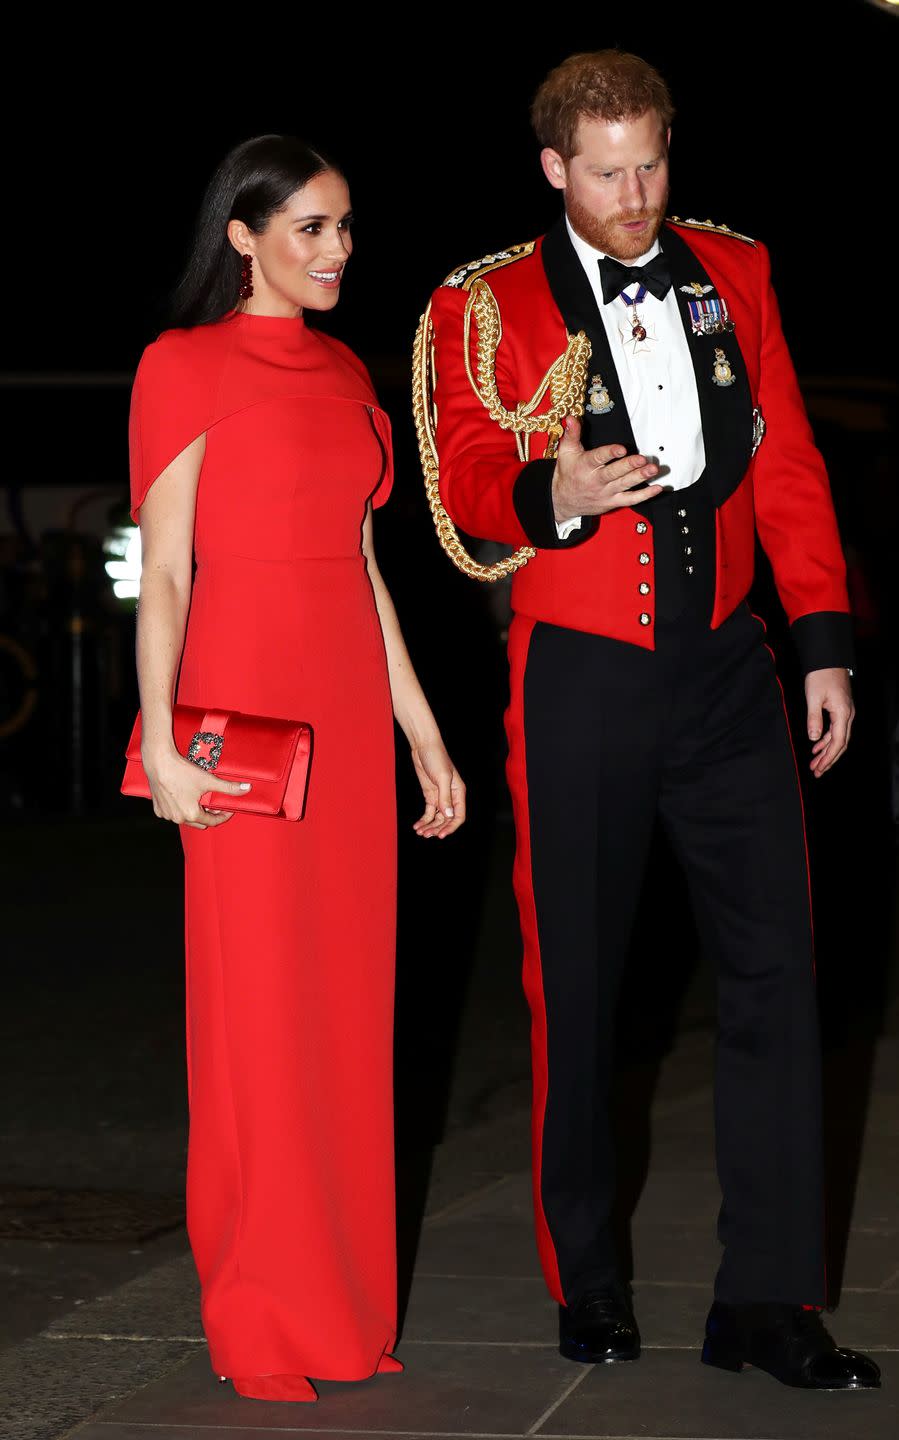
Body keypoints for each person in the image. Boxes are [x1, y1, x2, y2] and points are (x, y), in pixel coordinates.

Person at [418, 51, 880, 1391]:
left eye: (652, 165)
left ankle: (767, 1305)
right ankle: (591, 1285)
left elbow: (785, 461)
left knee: (775, 981)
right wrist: (544, 489)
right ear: (552, 168)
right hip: (578, 676)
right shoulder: (483, 300)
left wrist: (820, 649)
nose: (634, 198)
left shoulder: (731, 271)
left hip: (730, 674)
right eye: (606, 173)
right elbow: (456, 468)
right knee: (579, 987)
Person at [130, 135, 465, 1404]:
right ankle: (262, 1315)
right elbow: (164, 570)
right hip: (243, 721)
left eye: (342, 228)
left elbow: (364, 572)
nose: (336, 250)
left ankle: (342, 1312)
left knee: (342, 1025)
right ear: (244, 236)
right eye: (310, 229)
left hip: (346, 723)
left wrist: (422, 732)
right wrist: (160, 737)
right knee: (255, 1025)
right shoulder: (183, 366)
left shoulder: (346, 375)